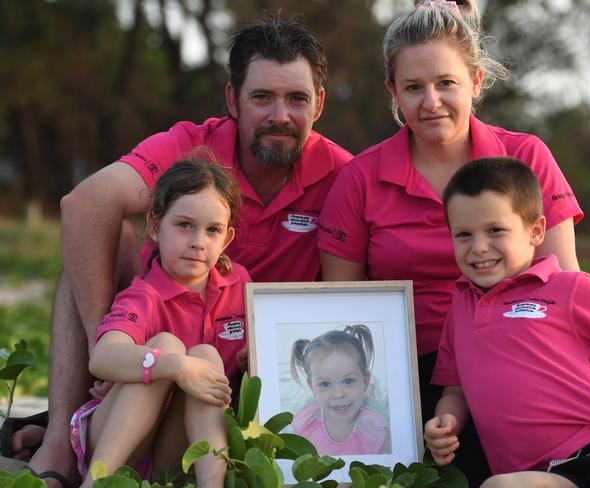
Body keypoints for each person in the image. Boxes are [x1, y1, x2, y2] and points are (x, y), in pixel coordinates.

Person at [9, 15, 351, 487]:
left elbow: (357, 291)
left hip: (237, 369)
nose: (280, 115)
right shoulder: (194, 146)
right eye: (261, 97)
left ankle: (70, 430)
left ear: (320, 104)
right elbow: (85, 204)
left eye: (297, 99)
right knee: (98, 250)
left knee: (203, 360)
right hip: (150, 345)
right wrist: (110, 353)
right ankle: (59, 445)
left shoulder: (344, 175)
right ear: (233, 99)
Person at [317, 1, 590, 484]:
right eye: (413, 87)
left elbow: (569, 280)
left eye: (446, 83)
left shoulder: (525, 154)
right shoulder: (360, 178)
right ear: (393, 91)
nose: (430, 102)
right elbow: (342, 309)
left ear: (475, 81)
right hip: (430, 374)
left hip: (544, 352)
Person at [426, 157, 590, 487]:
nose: (479, 247)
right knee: (498, 486)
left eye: (495, 230)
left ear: (536, 231)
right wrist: (448, 422)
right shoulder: (461, 306)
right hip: (544, 472)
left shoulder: (568, 288)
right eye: (463, 235)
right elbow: (455, 389)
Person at [72, 158, 245, 486]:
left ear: (227, 238)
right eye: (184, 225)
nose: (198, 241)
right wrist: (176, 366)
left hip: (176, 453)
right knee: (169, 346)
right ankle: (94, 483)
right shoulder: (145, 295)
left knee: (206, 356)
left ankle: (214, 483)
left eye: (213, 230)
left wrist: (249, 357)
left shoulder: (238, 285)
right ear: (154, 226)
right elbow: (103, 356)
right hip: (120, 446)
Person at [289, 325, 390, 456]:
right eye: (325, 384)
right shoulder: (306, 423)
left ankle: (369, 391)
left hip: (368, 405)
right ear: (312, 387)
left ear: (365, 380)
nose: (338, 394)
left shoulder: (375, 428)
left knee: (371, 401)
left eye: (348, 381)